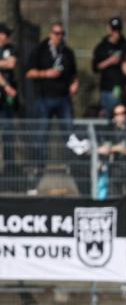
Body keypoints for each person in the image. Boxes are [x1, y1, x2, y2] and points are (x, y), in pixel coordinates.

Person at [25, 22, 79, 188]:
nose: (59, 36)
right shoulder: (40, 50)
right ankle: (39, 168)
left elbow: (74, 74)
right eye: (56, 33)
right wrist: (45, 73)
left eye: (62, 33)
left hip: (63, 98)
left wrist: (75, 84)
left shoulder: (67, 52)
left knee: (70, 134)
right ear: (50, 34)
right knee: (41, 135)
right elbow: (29, 72)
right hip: (44, 98)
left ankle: (73, 166)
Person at [91, 16, 126, 118]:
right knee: (107, 115)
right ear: (109, 29)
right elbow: (95, 67)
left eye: (118, 30)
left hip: (124, 87)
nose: (116, 33)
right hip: (107, 88)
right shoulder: (102, 47)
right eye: (114, 30)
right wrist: (109, 61)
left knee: (122, 116)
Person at [97, 104, 126, 198]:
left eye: (122, 113)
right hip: (114, 167)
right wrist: (118, 148)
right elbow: (103, 148)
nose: (120, 116)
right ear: (114, 116)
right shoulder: (108, 129)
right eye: (117, 114)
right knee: (114, 197)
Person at [0, 23, 18, 179]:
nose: (8, 37)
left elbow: (12, 63)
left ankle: (9, 167)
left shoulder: (10, 49)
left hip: (5, 102)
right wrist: (5, 84)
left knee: (8, 134)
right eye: (5, 34)